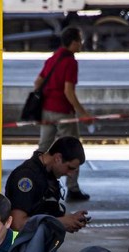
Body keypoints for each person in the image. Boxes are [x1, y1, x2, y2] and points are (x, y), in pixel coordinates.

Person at [34, 26, 91, 201]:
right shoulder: (70, 62)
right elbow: (68, 91)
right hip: (63, 113)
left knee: (43, 148)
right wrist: (82, 113)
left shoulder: (53, 58)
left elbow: (37, 82)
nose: (81, 44)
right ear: (73, 42)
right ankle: (72, 189)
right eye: (80, 41)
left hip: (47, 111)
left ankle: (35, 179)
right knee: (73, 149)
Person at [5, 136, 89, 234]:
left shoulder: (48, 174)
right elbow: (17, 224)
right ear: (58, 158)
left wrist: (70, 219)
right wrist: (61, 222)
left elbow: (42, 212)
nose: (70, 174)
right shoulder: (27, 177)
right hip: (22, 246)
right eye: (69, 168)